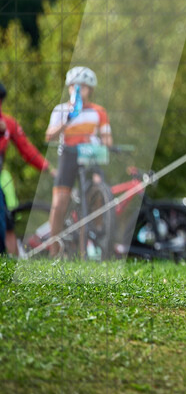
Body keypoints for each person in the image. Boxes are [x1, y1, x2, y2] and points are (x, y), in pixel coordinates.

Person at [44, 67, 112, 257]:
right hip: (68, 155)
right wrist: (68, 118)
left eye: (84, 86)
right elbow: (49, 135)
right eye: (75, 86)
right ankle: (54, 250)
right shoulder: (61, 110)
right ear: (69, 88)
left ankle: (92, 246)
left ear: (90, 89)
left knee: (98, 194)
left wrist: (106, 145)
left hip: (91, 155)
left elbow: (107, 138)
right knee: (59, 202)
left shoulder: (99, 111)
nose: (79, 89)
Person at [0, 81, 55, 255]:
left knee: (5, 220)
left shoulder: (8, 124)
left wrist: (47, 167)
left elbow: (26, 149)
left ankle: (7, 258)